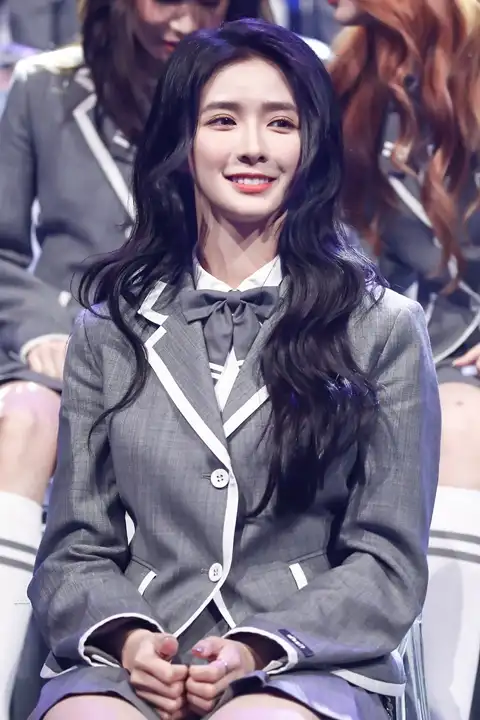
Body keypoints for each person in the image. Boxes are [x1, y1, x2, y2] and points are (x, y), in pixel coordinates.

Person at [28, 18, 440, 720]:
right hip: (141, 651)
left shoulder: (384, 327)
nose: (253, 146)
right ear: (182, 143)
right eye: (223, 120)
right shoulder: (109, 326)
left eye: (281, 123)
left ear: (311, 146)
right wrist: (130, 640)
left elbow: (387, 561)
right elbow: (74, 549)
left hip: (308, 658)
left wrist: (257, 647)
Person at [0, 2, 275, 716]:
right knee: (26, 418)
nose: (183, 19)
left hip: (205, 334)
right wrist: (40, 331)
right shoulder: (43, 86)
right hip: (71, 336)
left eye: (207, 1)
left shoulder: (269, 85)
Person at [328, 1, 480, 717]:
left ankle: (438, 706)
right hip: (372, 337)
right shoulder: (344, 75)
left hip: (462, 353)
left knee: (460, 420)